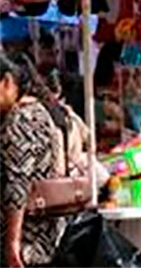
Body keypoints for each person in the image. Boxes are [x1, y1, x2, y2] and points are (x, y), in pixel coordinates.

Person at [0, 53, 66, 267]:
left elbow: (17, 185)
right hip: (45, 233)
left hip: (28, 240)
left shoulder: (19, 120)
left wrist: (12, 242)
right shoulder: (38, 110)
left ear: (7, 82)